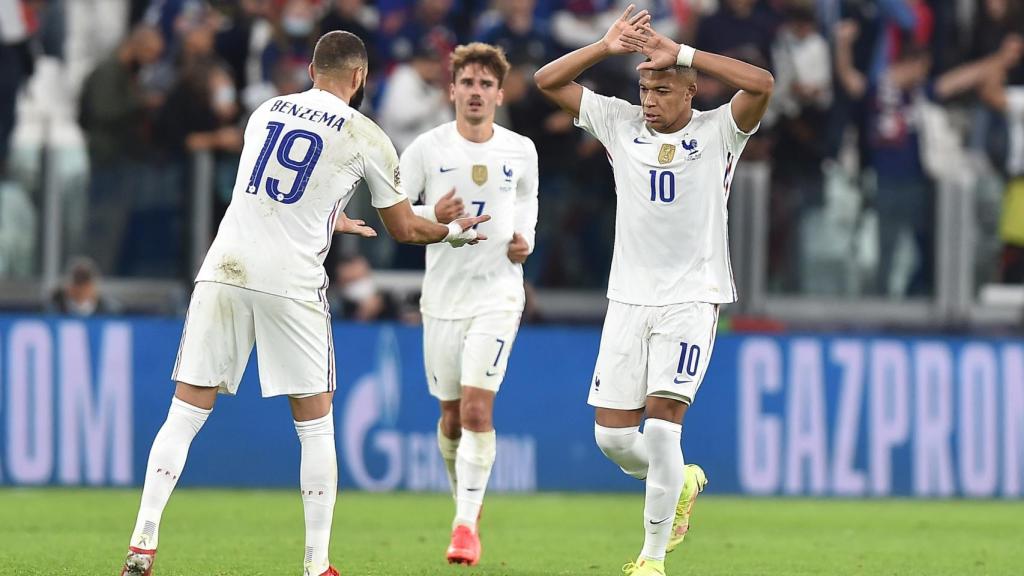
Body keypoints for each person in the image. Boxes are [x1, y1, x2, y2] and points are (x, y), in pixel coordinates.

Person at [119, 31, 489, 576]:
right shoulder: (366, 134)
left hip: (225, 267)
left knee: (185, 413)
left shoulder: (266, 111)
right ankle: (317, 565)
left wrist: (327, 215)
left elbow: (275, 187)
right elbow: (407, 227)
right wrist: (454, 230)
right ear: (360, 77)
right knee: (314, 424)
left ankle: (141, 544)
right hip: (290, 280)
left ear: (312, 71)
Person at [534, 6, 773, 575]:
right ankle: (681, 481)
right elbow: (548, 81)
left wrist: (682, 51)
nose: (650, 98)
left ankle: (651, 559)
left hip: (693, 297)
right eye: (644, 86)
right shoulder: (619, 125)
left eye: (663, 88)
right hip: (627, 299)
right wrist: (603, 45)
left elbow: (762, 83)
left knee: (664, 424)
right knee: (613, 440)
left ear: (690, 93)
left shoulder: (720, 131)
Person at [400, 42, 538, 566]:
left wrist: (525, 236)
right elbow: (396, 214)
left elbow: (528, 198)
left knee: (480, 409)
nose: (475, 92)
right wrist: (431, 213)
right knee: (453, 419)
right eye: (467, 83)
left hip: (499, 294)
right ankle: (468, 501)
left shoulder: (520, 149)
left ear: (499, 95)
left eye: (485, 84)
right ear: (451, 90)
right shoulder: (426, 150)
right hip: (442, 299)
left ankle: (464, 526)